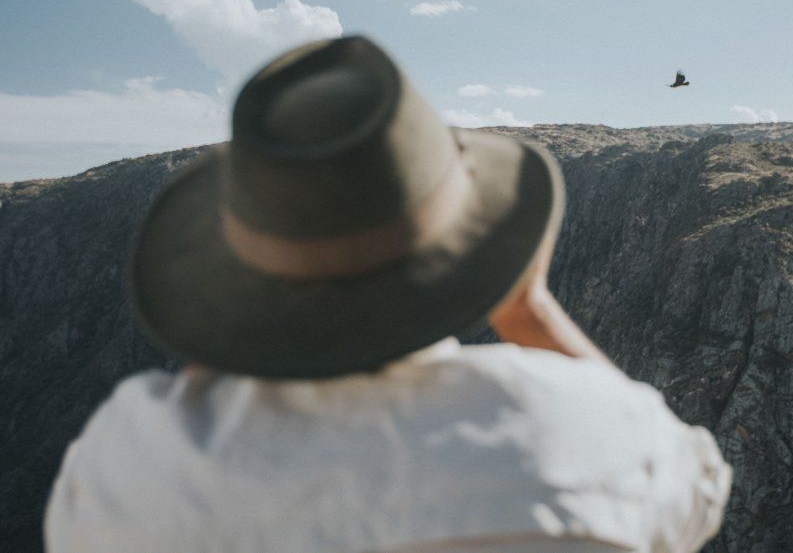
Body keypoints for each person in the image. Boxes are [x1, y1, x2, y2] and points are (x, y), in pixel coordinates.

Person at [45, 36, 731, 552]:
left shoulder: (127, 458)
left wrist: (232, 319)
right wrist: (529, 308)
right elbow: (700, 487)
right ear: (476, 241)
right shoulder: (573, 428)